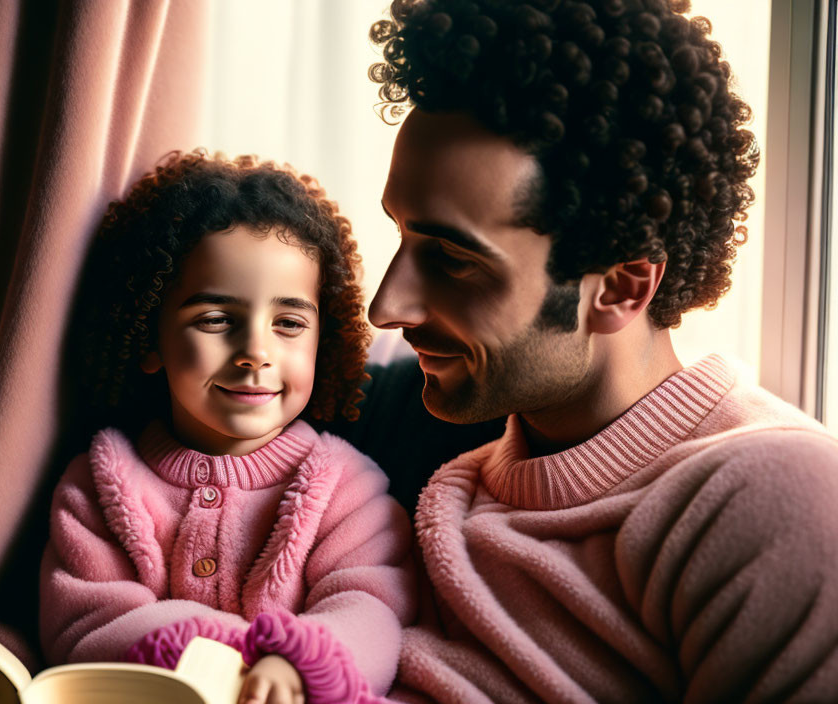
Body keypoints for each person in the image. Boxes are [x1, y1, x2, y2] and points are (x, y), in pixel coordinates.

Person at [333, 0, 838, 701]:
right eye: (401, 237)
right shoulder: (454, 483)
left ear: (621, 288)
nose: (388, 307)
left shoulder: (771, 496)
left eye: (452, 260)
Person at [39, 151, 414, 704]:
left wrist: (296, 662)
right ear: (150, 340)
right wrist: (216, 653)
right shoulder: (100, 481)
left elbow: (374, 610)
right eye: (216, 320)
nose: (256, 353)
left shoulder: (348, 487)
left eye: (288, 323)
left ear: (322, 342)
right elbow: (83, 625)